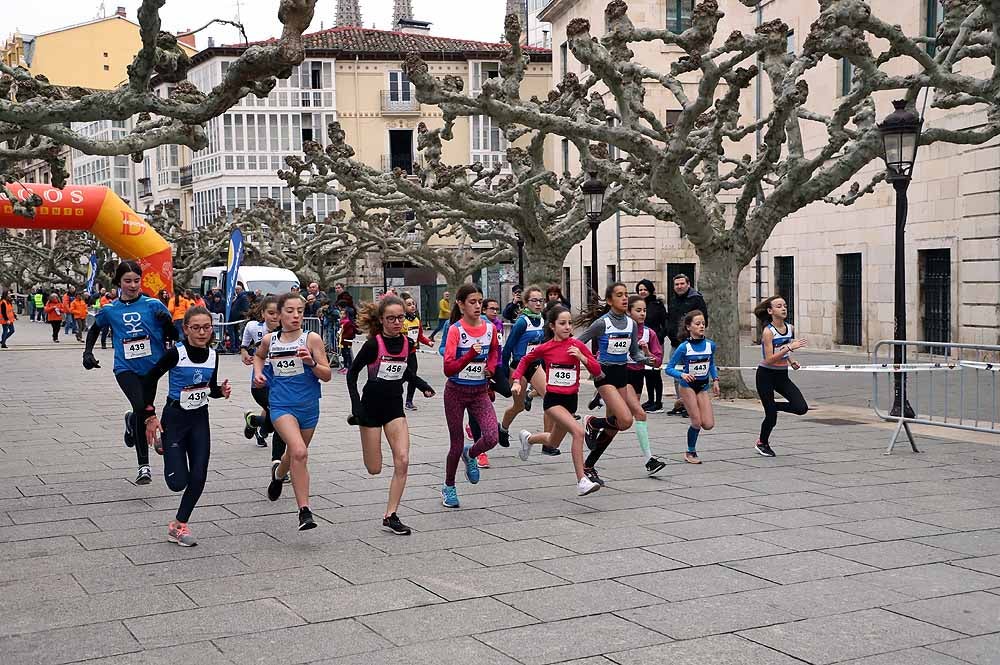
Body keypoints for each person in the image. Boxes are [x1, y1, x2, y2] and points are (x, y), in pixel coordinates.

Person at [142, 306, 232, 546]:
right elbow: (150, 378)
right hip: (175, 417)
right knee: (177, 483)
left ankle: (178, 525)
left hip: (200, 419)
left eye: (206, 327)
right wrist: (149, 413)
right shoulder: (176, 353)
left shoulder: (214, 355)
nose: (202, 332)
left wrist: (220, 392)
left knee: (199, 475)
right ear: (186, 329)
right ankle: (154, 436)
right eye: (196, 328)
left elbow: (209, 388)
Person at [83, 261, 176, 484]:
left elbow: (173, 333)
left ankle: (132, 421)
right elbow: (95, 329)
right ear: (118, 283)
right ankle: (144, 466)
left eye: (136, 280)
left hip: (153, 368)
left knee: (140, 410)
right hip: (125, 367)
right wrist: (87, 353)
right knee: (141, 406)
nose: (133, 285)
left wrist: (166, 324)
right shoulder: (110, 310)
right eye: (127, 281)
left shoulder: (153, 305)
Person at [348, 296, 435, 534]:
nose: (397, 322)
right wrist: (356, 406)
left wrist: (422, 384)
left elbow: (405, 370)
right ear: (381, 320)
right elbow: (352, 374)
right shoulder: (373, 345)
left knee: (403, 460)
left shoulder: (407, 343)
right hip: (371, 408)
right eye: (391, 318)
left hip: (395, 408)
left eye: (401, 318)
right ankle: (362, 429)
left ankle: (391, 515)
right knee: (374, 468)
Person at [254, 292, 332, 530]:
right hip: (280, 405)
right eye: (290, 311)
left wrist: (311, 362)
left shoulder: (312, 339)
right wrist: (258, 373)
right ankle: (304, 511)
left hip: (308, 407)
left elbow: (327, 375)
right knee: (299, 451)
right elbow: (259, 355)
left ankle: (278, 474)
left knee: (294, 455)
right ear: (279, 314)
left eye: (300, 310)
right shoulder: (270, 340)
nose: (296, 315)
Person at [577, 282, 665, 487]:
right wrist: (590, 363)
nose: (625, 298)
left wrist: (646, 360)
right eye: (619, 295)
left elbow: (633, 353)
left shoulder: (630, 324)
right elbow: (579, 342)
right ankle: (593, 423)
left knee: (613, 427)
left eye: (626, 294)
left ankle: (589, 465)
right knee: (625, 420)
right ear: (609, 301)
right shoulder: (602, 323)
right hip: (604, 376)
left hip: (622, 376)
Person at [511, 305, 605, 496]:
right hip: (553, 400)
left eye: (570, 323)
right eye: (562, 323)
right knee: (578, 432)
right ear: (552, 326)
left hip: (571, 400)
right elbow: (525, 360)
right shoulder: (546, 347)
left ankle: (528, 439)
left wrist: (583, 358)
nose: (567, 327)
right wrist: (516, 381)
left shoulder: (577, 346)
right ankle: (582, 480)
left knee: (553, 442)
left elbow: (597, 371)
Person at [440, 284, 501, 508]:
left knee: (492, 437)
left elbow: (495, 351)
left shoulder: (489, 328)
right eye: (472, 302)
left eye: (480, 302)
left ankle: (471, 453)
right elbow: (448, 368)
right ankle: (449, 487)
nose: (477, 306)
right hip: (455, 392)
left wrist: (492, 368)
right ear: (461, 304)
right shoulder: (456, 330)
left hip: (479, 393)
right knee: (455, 444)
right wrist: (469, 355)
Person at [500, 286, 556, 455]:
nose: (538, 304)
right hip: (518, 366)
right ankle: (503, 429)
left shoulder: (541, 319)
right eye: (534, 300)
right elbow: (508, 347)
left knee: (550, 398)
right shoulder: (522, 322)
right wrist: (504, 372)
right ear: (525, 303)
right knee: (518, 407)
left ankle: (548, 443)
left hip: (534, 365)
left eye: (541, 300)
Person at [754, 295, 809, 458]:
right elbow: (769, 358)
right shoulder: (768, 332)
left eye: (784, 305)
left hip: (782, 375)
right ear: (770, 311)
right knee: (771, 417)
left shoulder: (790, 328)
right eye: (779, 306)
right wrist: (789, 349)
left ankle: (772, 405)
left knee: (801, 408)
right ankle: (762, 443)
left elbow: (785, 347)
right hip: (766, 375)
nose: (783, 308)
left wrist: (791, 361)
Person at [664, 310, 719, 463]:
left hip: (702, 386)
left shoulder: (710, 345)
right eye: (697, 324)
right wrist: (682, 375)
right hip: (687, 386)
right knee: (696, 422)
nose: (701, 326)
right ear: (689, 327)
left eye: (703, 323)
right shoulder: (683, 347)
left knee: (708, 424)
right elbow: (669, 368)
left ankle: (682, 402)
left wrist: (715, 380)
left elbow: (711, 364)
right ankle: (690, 452)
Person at [626, 295, 666, 467]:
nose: (642, 314)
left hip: (638, 375)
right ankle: (649, 459)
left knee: (618, 421)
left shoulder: (650, 333)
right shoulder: (622, 330)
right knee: (639, 414)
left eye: (644, 311)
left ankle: (594, 423)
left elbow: (656, 362)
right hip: (621, 374)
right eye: (638, 310)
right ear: (629, 312)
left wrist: (647, 352)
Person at [664, 274, 709, 416]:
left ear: (688, 284)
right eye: (676, 284)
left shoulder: (696, 299)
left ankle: (692, 405)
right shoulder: (673, 300)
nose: (679, 286)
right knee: (678, 375)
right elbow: (670, 319)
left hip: (691, 344)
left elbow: (703, 319)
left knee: (693, 375)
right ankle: (681, 403)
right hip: (675, 343)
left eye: (682, 283)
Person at [241, 296, 281, 450]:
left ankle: (255, 423)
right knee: (274, 411)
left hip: (279, 375)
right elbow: (244, 345)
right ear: (263, 313)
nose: (275, 316)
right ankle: (259, 426)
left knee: (274, 412)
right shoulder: (253, 327)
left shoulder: (288, 329)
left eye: (278, 313)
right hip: (261, 376)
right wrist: (244, 352)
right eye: (271, 313)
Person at [636, 279, 668, 413]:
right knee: (646, 373)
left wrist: (657, 338)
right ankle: (650, 399)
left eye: (645, 289)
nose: (643, 292)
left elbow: (665, 325)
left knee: (655, 373)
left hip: (655, 342)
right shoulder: (636, 305)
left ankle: (658, 401)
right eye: (640, 289)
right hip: (641, 344)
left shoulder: (658, 305)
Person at [400, 292, 433, 411]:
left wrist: (428, 342)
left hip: (412, 353)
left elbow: (419, 336)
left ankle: (409, 401)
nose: (412, 306)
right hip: (401, 355)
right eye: (409, 304)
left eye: (413, 304)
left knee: (412, 378)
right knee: (401, 377)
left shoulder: (416, 320)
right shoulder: (402, 321)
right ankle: (392, 396)